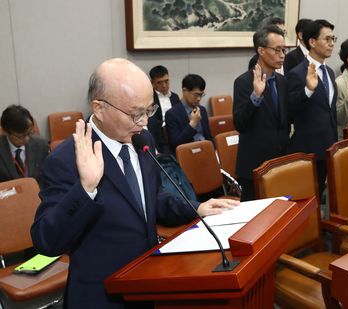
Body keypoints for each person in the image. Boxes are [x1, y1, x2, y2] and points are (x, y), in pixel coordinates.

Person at [31, 58, 238, 308]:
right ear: (99, 108)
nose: (144, 122)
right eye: (135, 114)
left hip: (145, 283)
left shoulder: (142, 139)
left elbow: (151, 199)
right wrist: (86, 189)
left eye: (148, 110)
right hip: (102, 295)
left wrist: (196, 208)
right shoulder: (66, 159)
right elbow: (47, 241)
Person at [233, 25, 290, 201]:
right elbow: (240, 123)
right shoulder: (243, 82)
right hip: (255, 166)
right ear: (261, 50)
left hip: (279, 162)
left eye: (284, 50)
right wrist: (256, 96)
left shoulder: (282, 81)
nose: (282, 55)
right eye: (277, 50)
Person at [286, 19, 338, 198]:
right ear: (312, 42)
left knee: (321, 195)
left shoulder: (330, 72)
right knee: (307, 198)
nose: (332, 44)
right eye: (327, 39)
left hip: (328, 146)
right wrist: (308, 89)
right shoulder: (297, 73)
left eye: (333, 39)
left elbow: (330, 111)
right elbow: (291, 110)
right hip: (308, 150)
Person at [0, 105, 48, 186]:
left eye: (29, 133)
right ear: (5, 132)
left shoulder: (41, 145)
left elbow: (47, 175)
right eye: (20, 136)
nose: (27, 139)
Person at [165, 74, 212, 154]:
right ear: (184, 91)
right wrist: (192, 123)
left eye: (201, 95)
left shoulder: (202, 110)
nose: (199, 99)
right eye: (196, 94)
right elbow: (176, 144)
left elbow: (208, 137)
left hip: (205, 151)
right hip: (188, 154)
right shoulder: (172, 114)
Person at [147, 65, 182, 154]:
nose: (164, 85)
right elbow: (152, 124)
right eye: (159, 82)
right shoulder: (150, 99)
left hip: (175, 132)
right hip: (160, 136)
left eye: (166, 81)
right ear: (152, 83)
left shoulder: (175, 97)